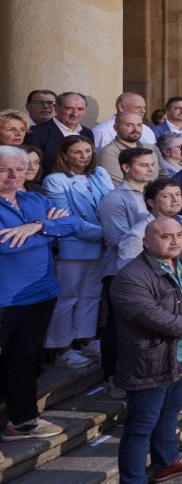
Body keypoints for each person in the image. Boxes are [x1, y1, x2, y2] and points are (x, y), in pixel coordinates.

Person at [111, 217, 182, 483]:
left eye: (179, 235)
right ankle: (133, 479)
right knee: (140, 426)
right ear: (147, 242)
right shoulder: (130, 277)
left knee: (170, 412)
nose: (175, 241)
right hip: (152, 360)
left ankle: (167, 461)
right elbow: (151, 316)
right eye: (166, 236)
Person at [0, 146, 84, 442]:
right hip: (4, 298)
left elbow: (75, 224)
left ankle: (22, 421)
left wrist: (37, 226)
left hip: (40, 293)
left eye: (18, 169)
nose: (13, 176)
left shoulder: (34, 199)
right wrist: (48, 229)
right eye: (4, 170)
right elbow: (7, 244)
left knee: (24, 359)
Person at [42, 136, 113, 368]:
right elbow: (66, 219)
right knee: (67, 297)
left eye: (87, 151)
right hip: (74, 247)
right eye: (77, 152)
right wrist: (104, 233)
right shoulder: (56, 180)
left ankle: (87, 339)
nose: (84, 156)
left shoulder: (100, 173)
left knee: (91, 296)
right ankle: (62, 348)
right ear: (64, 155)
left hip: (101, 246)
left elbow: (110, 203)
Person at [96, 148, 157, 398]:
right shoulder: (115, 199)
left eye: (151, 164)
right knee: (116, 326)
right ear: (125, 167)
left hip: (153, 268)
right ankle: (111, 377)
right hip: (120, 270)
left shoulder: (153, 193)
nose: (150, 169)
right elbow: (116, 237)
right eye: (143, 165)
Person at [24, 91, 94, 158]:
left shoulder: (88, 133)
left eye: (80, 109)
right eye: (69, 108)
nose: (75, 114)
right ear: (56, 108)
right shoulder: (36, 133)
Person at [99, 112, 160, 187]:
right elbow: (123, 185)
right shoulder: (108, 153)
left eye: (139, 125)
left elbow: (164, 176)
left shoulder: (152, 148)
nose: (135, 129)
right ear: (116, 128)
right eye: (129, 125)